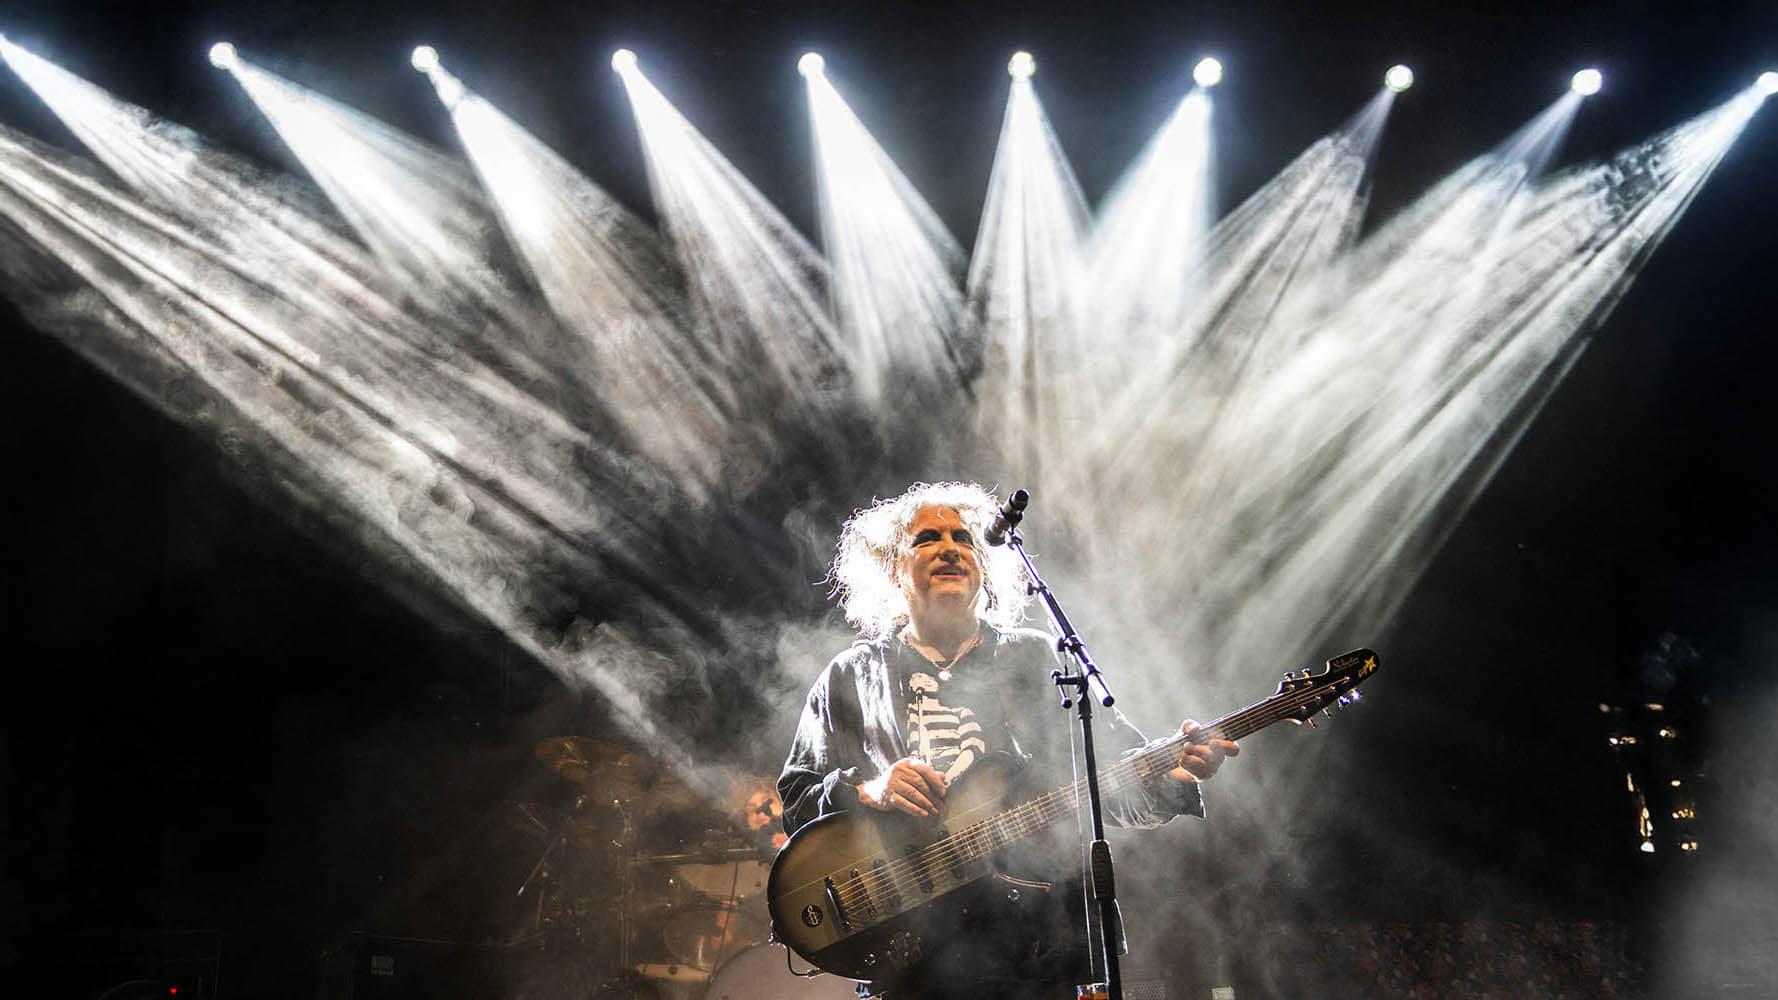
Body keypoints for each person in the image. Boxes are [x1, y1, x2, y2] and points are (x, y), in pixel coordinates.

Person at [778, 482, 1239, 999]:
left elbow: (1106, 785)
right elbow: (796, 801)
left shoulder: (1042, 659)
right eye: (928, 538)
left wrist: (1170, 776)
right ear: (891, 567)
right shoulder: (851, 674)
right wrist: (867, 790)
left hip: (1034, 947)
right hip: (910, 951)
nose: (951, 547)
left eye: (965, 538)